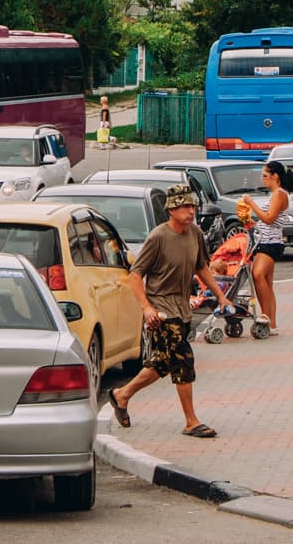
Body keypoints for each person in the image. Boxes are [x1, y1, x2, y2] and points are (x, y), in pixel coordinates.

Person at [105, 185, 232, 439]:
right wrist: (146, 308)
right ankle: (191, 421)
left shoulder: (195, 233)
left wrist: (220, 296)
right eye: (184, 207)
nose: (190, 211)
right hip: (161, 309)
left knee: (164, 361)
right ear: (171, 210)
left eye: (192, 206)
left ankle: (122, 395)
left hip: (182, 307)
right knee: (183, 359)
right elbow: (135, 276)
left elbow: (201, 267)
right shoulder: (158, 237)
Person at [235, 160, 293, 333]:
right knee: (266, 282)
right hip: (265, 239)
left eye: (265, 175)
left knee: (258, 274)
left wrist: (251, 203)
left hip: (270, 243)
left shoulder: (279, 194)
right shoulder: (275, 194)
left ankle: (265, 315)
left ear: (275, 176)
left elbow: (270, 218)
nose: (263, 179)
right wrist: (253, 223)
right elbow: (268, 220)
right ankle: (271, 323)